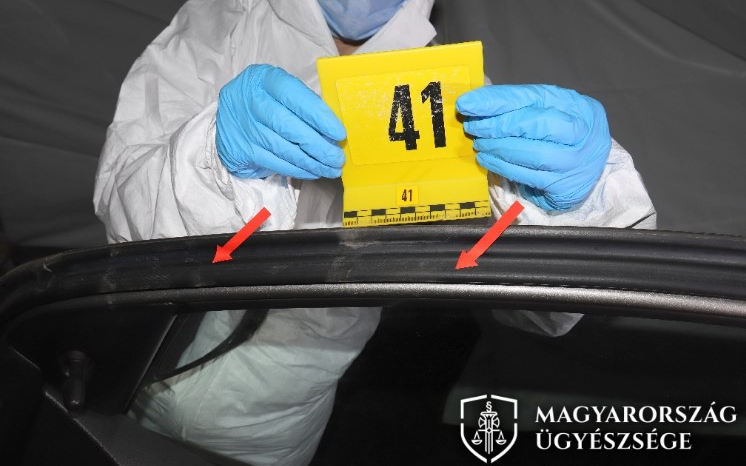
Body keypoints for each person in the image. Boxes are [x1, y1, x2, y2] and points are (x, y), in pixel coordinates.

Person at [93, 1, 656, 465]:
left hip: (280, 419)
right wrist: (212, 154)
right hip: (144, 381)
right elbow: (123, 219)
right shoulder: (219, 23)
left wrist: (576, 205)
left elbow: (539, 305)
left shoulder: (449, 88)